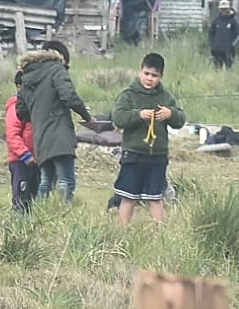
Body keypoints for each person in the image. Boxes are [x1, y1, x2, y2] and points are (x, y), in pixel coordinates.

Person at [110, 52, 187, 225]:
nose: (149, 79)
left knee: (155, 197)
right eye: (146, 74)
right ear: (140, 71)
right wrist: (139, 115)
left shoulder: (166, 97)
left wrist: (171, 114)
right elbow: (118, 118)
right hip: (133, 154)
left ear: (161, 76)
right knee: (128, 196)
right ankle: (123, 231)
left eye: (154, 75)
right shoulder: (128, 95)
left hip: (157, 156)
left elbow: (181, 119)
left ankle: (160, 234)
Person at [15, 39, 93, 202]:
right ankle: (63, 215)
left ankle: (42, 215)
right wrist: (87, 117)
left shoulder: (26, 77)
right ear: (61, 57)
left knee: (46, 180)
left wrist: (39, 113)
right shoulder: (57, 69)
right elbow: (69, 96)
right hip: (60, 134)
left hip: (41, 137)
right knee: (66, 181)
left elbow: (21, 112)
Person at [4, 71, 38, 213]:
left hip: (36, 161)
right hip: (21, 162)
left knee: (33, 201)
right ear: (19, 87)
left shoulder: (34, 106)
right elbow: (12, 134)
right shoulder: (16, 107)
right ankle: (17, 229)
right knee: (20, 200)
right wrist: (26, 155)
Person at [209, 0, 239, 68]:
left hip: (229, 51)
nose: (224, 11)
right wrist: (212, 45)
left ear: (229, 8)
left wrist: (232, 45)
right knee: (217, 70)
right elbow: (211, 34)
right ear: (219, 9)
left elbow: (238, 36)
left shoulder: (233, 21)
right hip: (217, 50)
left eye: (225, 9)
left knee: (229, 69)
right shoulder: (216, 21)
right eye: (222, 9)